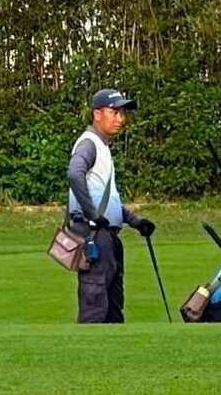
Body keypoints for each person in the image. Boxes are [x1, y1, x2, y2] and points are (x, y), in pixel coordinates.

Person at [66, 87, 155, 325]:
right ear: (97, 114)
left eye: (122, 114)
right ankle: (89, 357)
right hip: (95, 235)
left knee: (113, 307)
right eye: (114, 112)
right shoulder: (89, 144)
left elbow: (109, 200)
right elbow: (75, 175)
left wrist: (135, 222)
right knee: (95, 305)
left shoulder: (102, 147)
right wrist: (93, 215)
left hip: (107, 235)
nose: (120, 119)